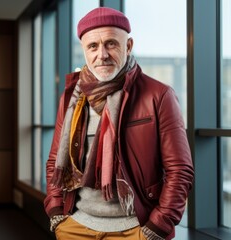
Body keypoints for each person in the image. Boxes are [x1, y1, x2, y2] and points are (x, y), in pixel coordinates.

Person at [44, 7, 194, 240]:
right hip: (75, 226)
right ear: (84, 50)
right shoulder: (72, 98)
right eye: (92, 46)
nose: (101, 54)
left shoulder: (158, 95)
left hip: (135, 229)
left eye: (111, 43)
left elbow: (180, 171)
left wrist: (157, 227)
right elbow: (55, 160)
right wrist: (55, 211)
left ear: (129, 46)